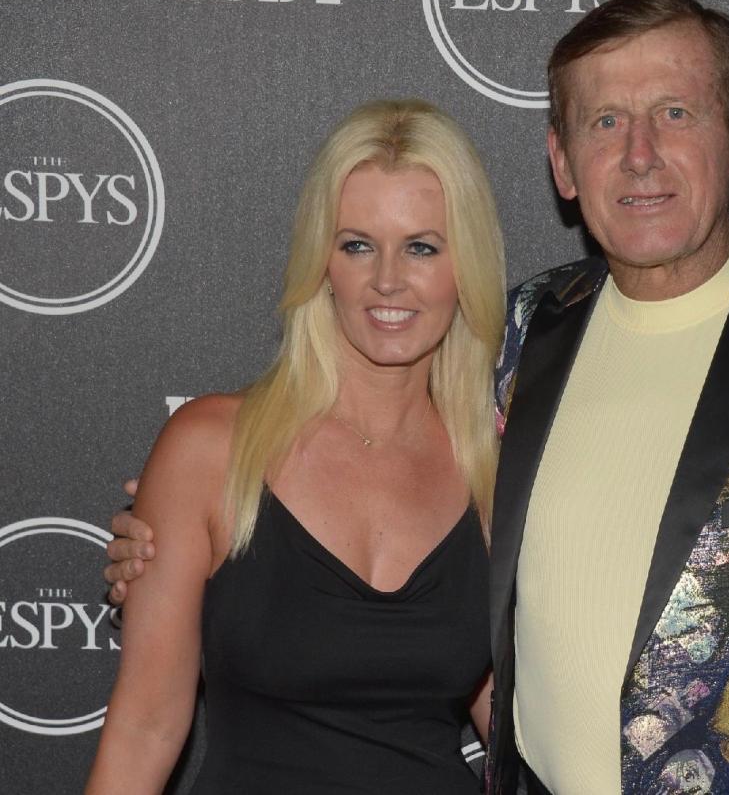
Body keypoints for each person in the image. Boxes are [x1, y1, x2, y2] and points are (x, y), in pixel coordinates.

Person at [107, 0, 729, 795]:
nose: (638, 154)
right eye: (604, 120)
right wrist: (168, 549)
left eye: (674, 112)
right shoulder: (523, 338)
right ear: (561, 161)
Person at [87, 98, 504, 794]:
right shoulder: (213, 449)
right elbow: (144, 732)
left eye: (423, 246)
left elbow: (522, 735)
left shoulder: (495, 469)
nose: (388, 280)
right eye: (357, 244)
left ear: (466, 266)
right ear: (321, 260)